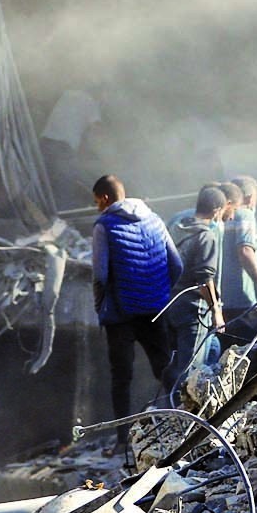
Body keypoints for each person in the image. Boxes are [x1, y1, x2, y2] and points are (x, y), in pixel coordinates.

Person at [90, 174, 184, 440]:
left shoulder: (104, 225)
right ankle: (183, 423)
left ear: (105, 199)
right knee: (164, 368)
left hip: (120, 315)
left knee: (122, 378)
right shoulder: (155, 220)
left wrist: (100, 307)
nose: (97, 207)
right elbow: (176, 265)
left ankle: (123, 439)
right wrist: (160, 292)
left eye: (97, 202)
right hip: (154, 309)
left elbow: (100, 274)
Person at [166, 184, 227, 405]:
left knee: (212, 349)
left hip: (172, 303)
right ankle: (183, 417)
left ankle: (208, 403)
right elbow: (204, 280)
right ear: (217, 210)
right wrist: (216, 311)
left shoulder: (177, 227)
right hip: (194, 309)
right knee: (190, 369)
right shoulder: (206, 236)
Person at [221, 174, 257, 347]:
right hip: (241, 298)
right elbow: (245, 251)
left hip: (217, 299)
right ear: (250, 198)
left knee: (225, 349)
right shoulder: (244, 215)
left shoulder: (217, 216)